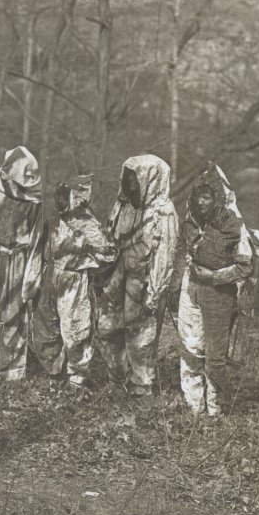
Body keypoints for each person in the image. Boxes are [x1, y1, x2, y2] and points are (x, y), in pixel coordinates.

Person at [97, 154, 178, 397]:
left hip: (143, 280)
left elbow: (165, 255)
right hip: (116, 274)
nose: (132, 185)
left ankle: (141, 387)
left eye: (136, 180)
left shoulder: (164, 212)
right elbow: (110, 235)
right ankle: (117, 379)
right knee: (107, 327)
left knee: (140, 336)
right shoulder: (122, 204)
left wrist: (154, 292)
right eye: (129, 179)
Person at [176, 163, 252, 416]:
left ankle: (215, 409)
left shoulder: (234, 226)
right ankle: (194, 405)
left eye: (207, 196)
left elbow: (245, 266)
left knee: (215, 355)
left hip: (219, 295)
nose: (202, 202)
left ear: (217, 197)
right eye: (199, 196)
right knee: (190, 345)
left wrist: (216, 276)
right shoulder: (191, 222)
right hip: (193, 289)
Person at [30, 174, 116, 388]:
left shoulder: (87, 222)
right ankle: (54, 372)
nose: (59, 201)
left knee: (75, 328)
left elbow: (109, 253)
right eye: (57, 196)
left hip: (73, 280)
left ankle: (76, 377)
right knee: (45, 325)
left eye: (63, 197)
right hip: (50, 275)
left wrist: (83, 261)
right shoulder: (55, 217)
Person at [0, 146, 44, 381]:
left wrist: (32, 274)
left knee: (14, 312)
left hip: (17, 259)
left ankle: (12, 371)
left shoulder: (33, 202)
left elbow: (35, 238)